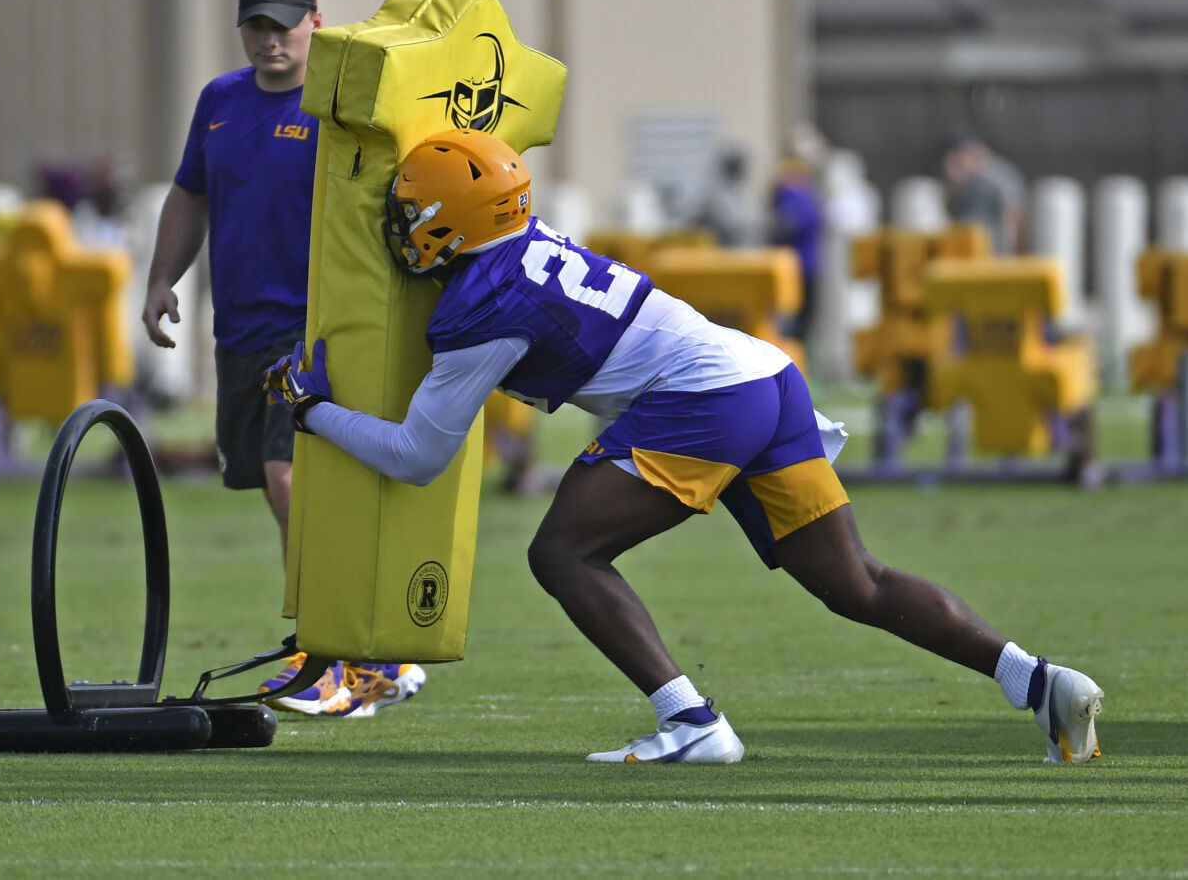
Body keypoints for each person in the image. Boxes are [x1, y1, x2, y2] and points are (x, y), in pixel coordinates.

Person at [265, 127, 1104, 763]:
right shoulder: (523, 239)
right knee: (857, 583)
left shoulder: (486, 302)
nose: (398, 222)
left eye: (412, 208)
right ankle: (1038, 682)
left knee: (564, 553)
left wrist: (312, 412)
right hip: (763, 375)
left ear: (454, 216)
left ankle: (690, 721)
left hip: (705, 398)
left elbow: (418, 455)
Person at [140, 0, 425, 719]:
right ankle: (376, 655)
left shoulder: (341, 105)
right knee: (278, 491)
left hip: (314, 331)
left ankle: (333, 658)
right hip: (238, 330)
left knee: (288, 480)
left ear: (316, 21)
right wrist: (162, 276)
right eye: (257, 25)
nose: (271, 39)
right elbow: (189, 193)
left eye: (284, 23)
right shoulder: (219, 103)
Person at [942, 130, 1025, 255]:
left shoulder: (1000, 175)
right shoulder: (958, 177)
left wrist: (1013, 252)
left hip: (994, 248)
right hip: (963, 248)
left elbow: (1013, 217)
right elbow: (946, 212)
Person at [770, 156, 824, 341]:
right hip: (797, 265)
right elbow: (791, 224)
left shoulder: (801, 194)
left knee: (805, 317)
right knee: (796, 317)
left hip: (805, 263)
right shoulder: (790, 195)